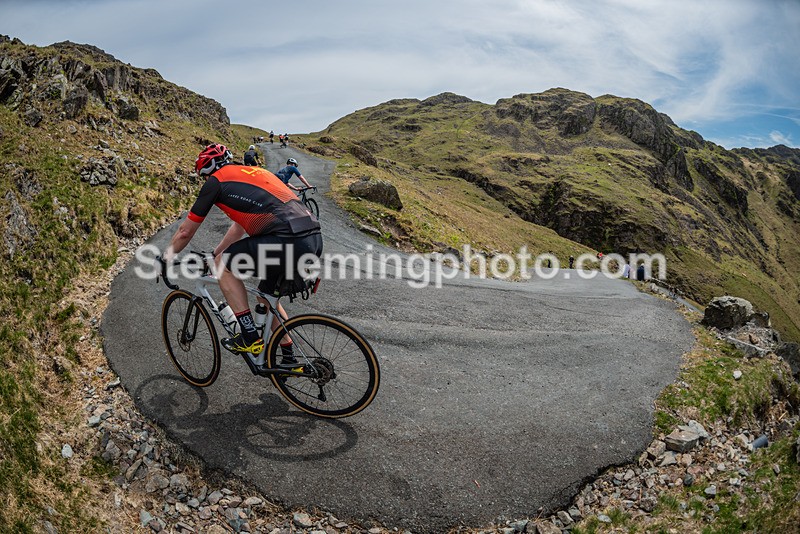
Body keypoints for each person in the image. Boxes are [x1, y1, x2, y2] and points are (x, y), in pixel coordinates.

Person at [161, 143, 322, 361]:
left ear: (207, 171)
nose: (205, 181)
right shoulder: (257, 172)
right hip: (312, 238)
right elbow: (239, 227)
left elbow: (184, 232)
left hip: (287, 240)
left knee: (223, 267)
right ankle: (289, 356)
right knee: (266, 298)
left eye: (203, 176)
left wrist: (166, 258)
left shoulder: (216, 182)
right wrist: (216, 252)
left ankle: (249, 337)